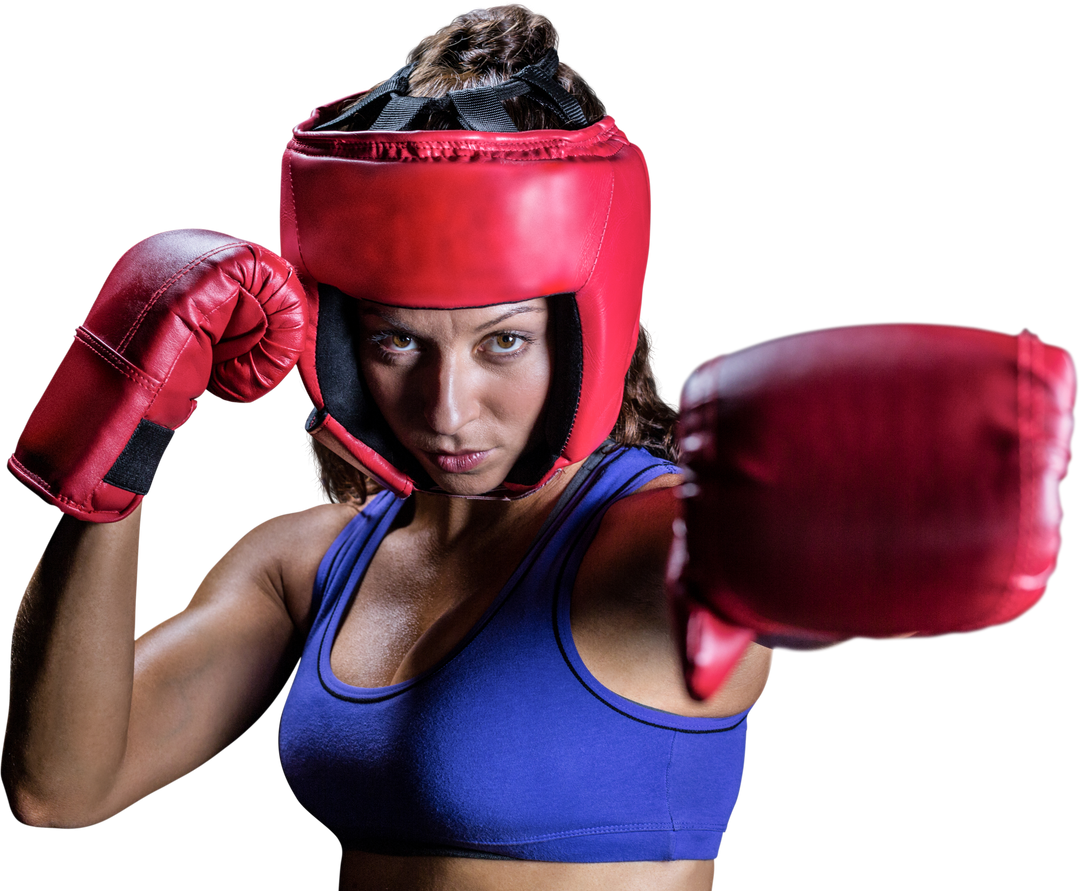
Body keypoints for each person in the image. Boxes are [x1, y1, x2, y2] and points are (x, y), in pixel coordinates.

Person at [2, 5, 1074, 890]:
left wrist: (879, 521)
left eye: (503, 341)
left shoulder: (656, 540)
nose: (448, 404)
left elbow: (780, 593)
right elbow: (63, 786)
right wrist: (113, 463)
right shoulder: (307, 562)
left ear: (587, 326)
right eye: (397, 342)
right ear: (334, 340)